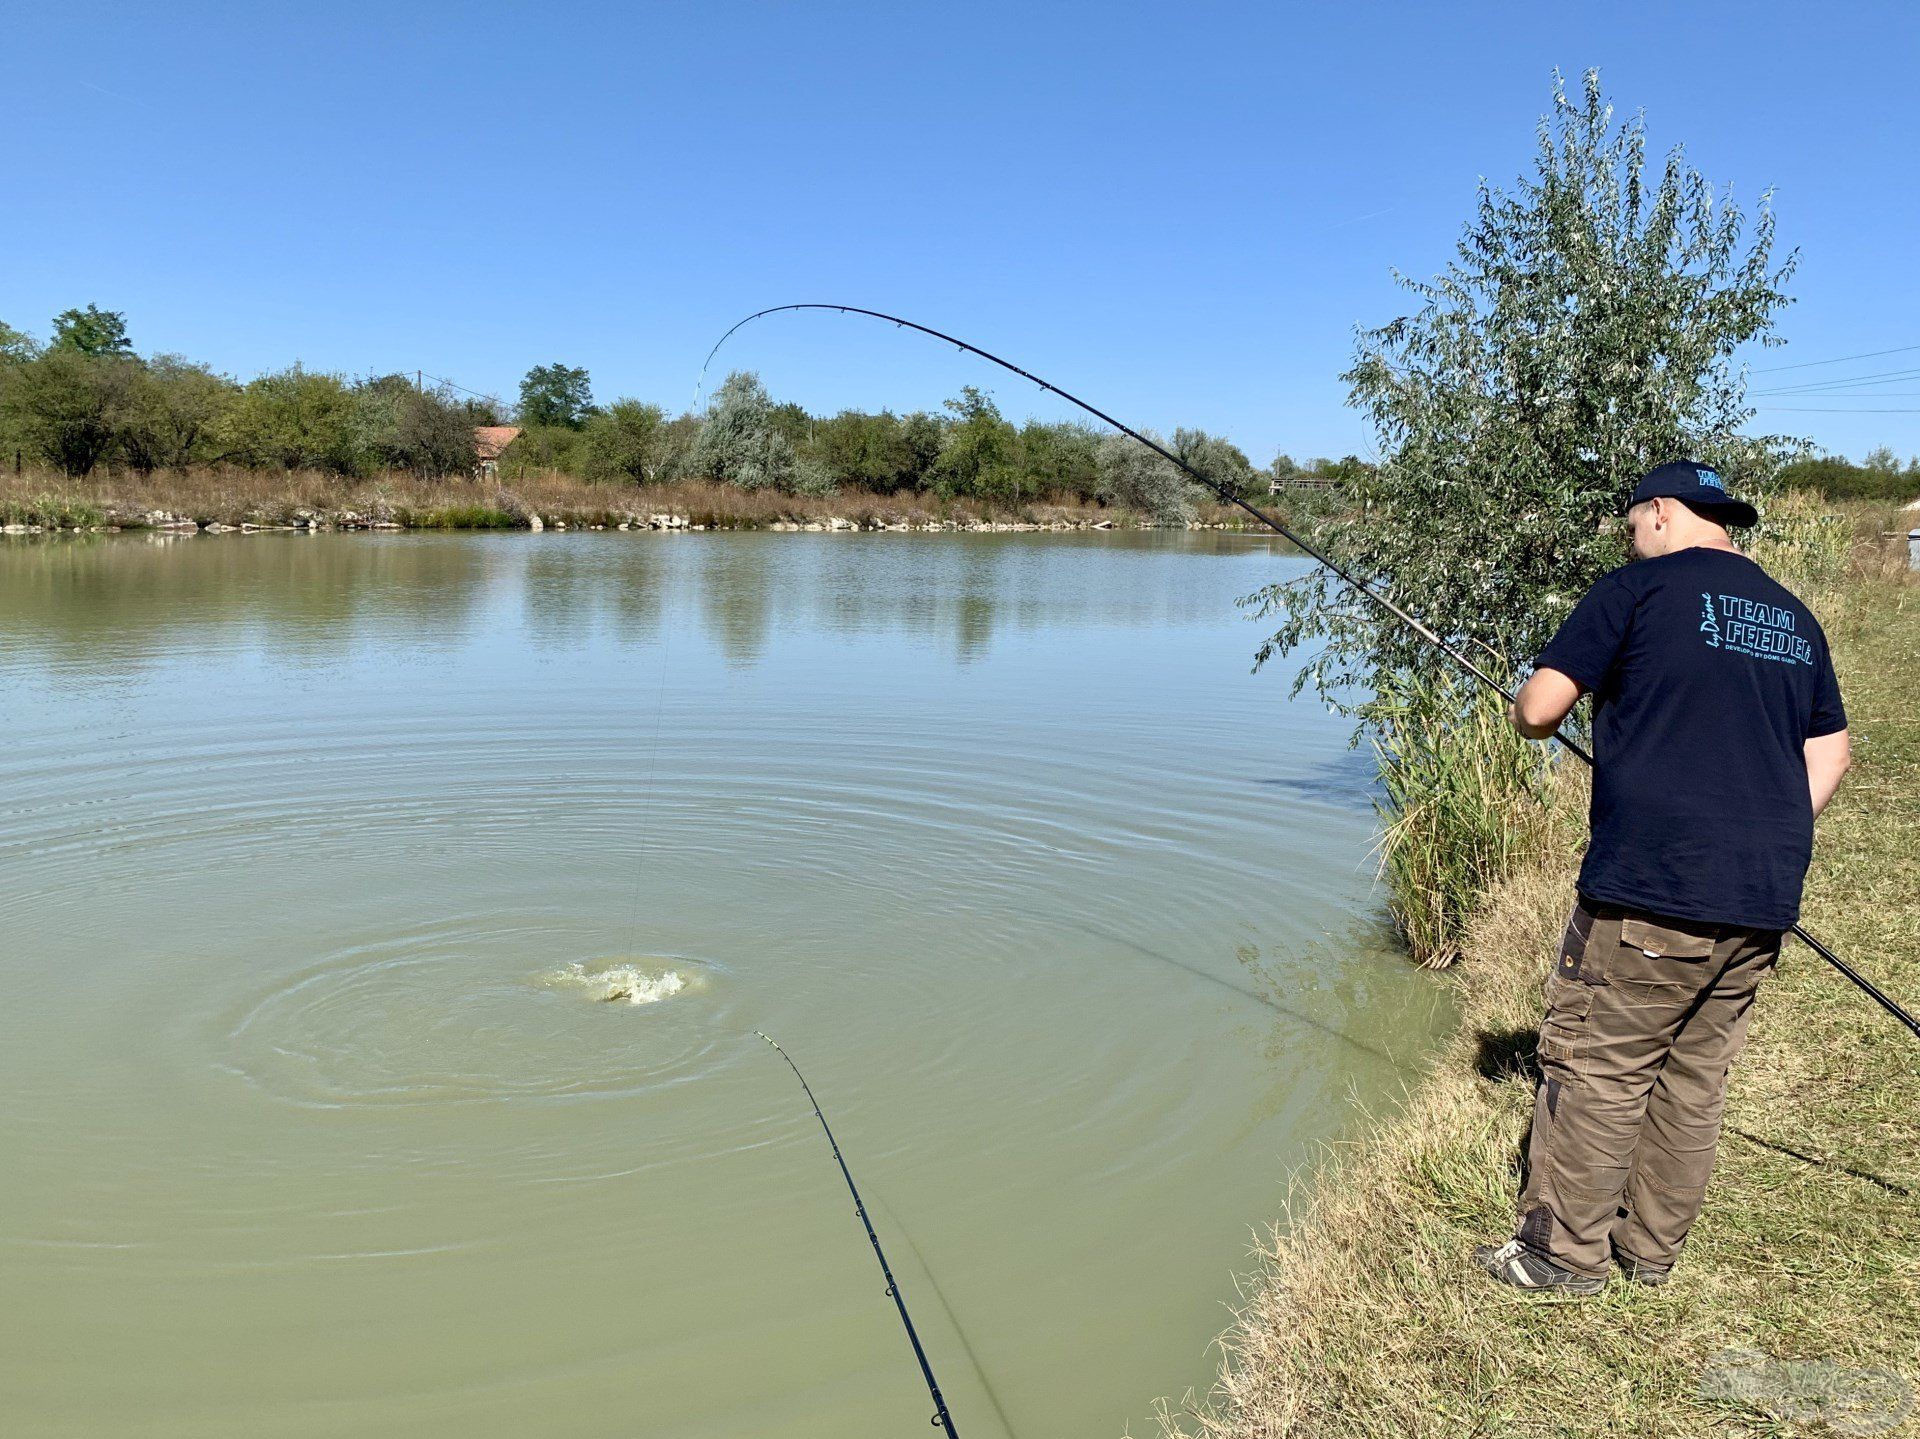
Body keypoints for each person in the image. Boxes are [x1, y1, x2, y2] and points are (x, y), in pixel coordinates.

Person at [1472, 459, 1852, 1295]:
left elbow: (1540, 710)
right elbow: (1831, 752)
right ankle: (1648, 1251)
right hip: (1761, 892)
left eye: (1634, 523)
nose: (1632, 539)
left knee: (1599, 1064)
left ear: (1660, 511)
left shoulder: (1635, 592)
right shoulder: (1793, 617)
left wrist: (1520, 702)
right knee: (1694, 1075)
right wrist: (1763, 829)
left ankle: (1557, 1255)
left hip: (1652, 889)